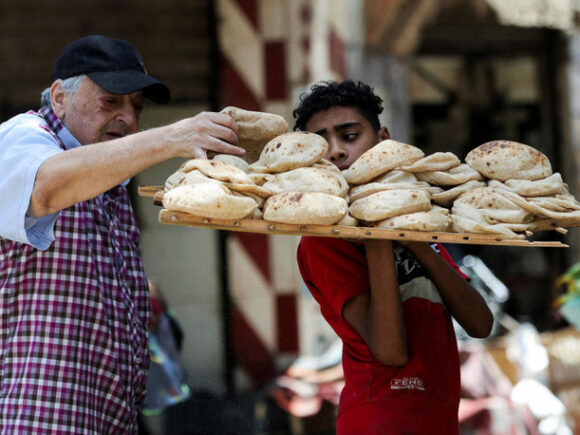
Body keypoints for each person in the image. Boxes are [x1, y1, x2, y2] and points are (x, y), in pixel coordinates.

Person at [0, 35, 244, 433]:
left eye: (137, 107)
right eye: (110, 101)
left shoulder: (110, 177)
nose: (128, 119)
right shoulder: (21, 136)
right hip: (35, 418)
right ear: (59, 97)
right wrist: (173, 137)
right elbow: (45, 187)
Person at [293, 80, 494, 434]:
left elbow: (480, 324)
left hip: (438, 418)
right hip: (378, 419)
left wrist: (415, 238)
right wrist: (377, 238)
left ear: (383, 140)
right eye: (321, 145)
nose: (336, 152)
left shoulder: (415, 220)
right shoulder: (324, 241)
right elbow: (391, 351)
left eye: (350, 135)